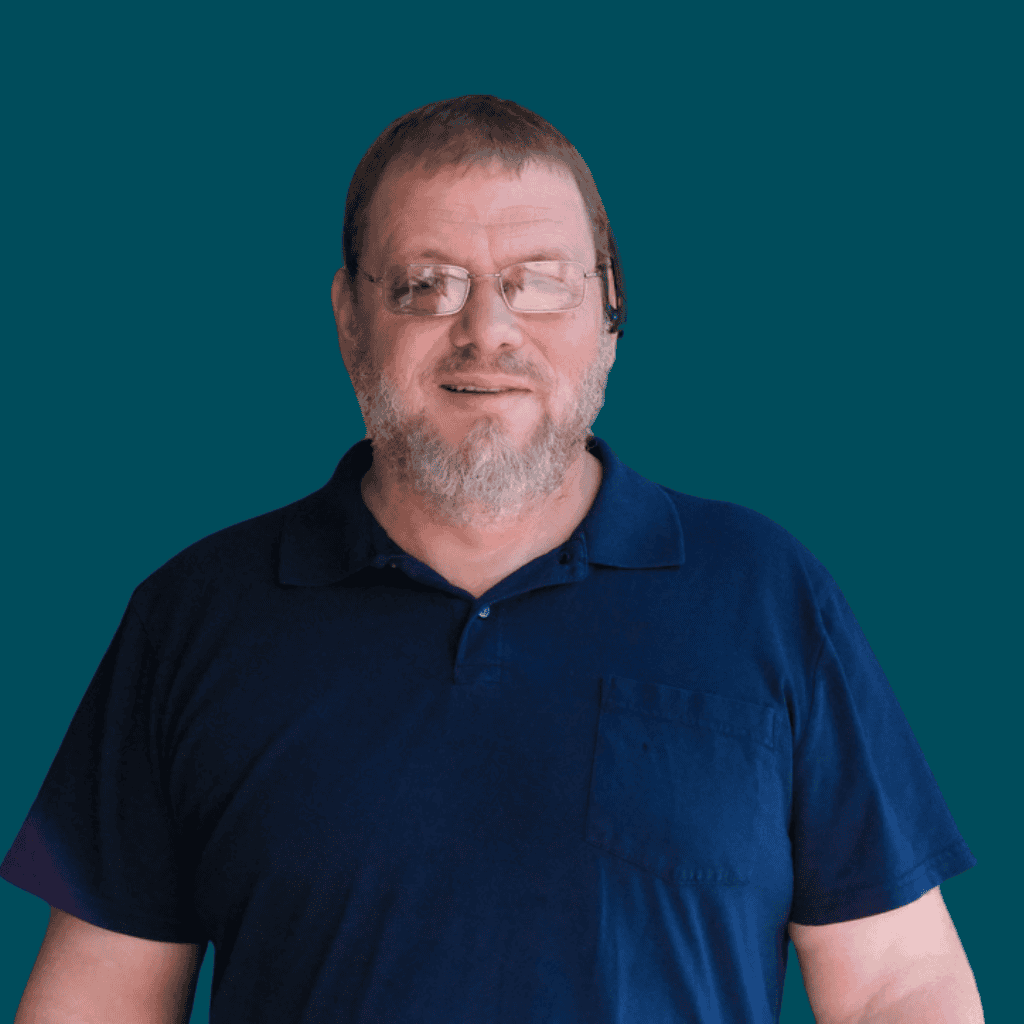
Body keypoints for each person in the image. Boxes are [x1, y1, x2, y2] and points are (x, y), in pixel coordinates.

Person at [3, 95, 984, 1024]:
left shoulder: (766, 593)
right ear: (350, 319)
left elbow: (894, 984)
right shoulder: (194, 616)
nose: (488, 331)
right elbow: (100, 999)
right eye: (427, 284)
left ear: (609, 312)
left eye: (537, 281)